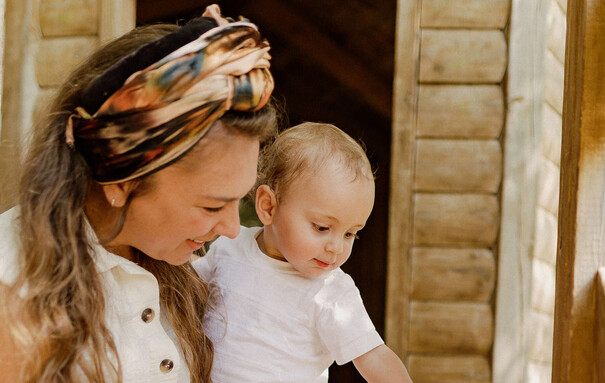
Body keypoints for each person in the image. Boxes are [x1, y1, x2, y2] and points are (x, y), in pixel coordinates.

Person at [0, 5, 276, 382]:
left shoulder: (188, 275)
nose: (231, 228)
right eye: (212, 205)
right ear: (120, 181)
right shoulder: (12, 292)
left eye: (238, 201)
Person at [193, 122, 413, 382]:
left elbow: (374, 356)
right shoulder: (229, 247)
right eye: (322, 227)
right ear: (268, 207)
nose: (336, 247)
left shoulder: (332, 292)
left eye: (350, 233)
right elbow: (186, 284)